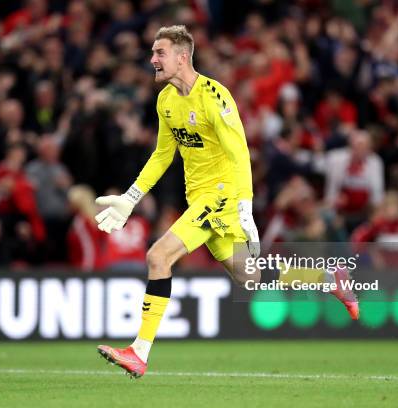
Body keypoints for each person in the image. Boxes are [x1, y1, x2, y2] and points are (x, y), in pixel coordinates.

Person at [94, 25, 358, 379]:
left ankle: (139, 352)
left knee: (158, 256)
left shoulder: (215, 96)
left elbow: (239, 154)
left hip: (221, 194)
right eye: (153, 52)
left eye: (159, 53)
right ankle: (329, 280)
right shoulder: (166, 101)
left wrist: (245, 208)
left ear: (181, 57)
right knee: (249, 277)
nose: (152, 59)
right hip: (199, 197)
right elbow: (161, 156)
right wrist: (131, 198)